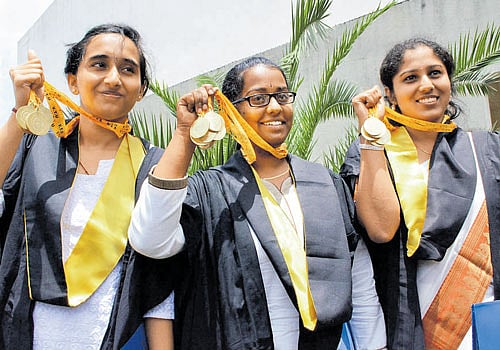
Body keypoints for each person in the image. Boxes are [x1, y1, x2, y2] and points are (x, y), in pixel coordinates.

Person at [128, 56, 386, 349]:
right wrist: (185, 136)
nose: (275, 107)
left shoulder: (325, 183)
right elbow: (150, 240)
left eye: (282, 96)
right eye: (259, 98)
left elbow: (361, 281)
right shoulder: (210, 192)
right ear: (230, 112)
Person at [0, 24, 181, 349]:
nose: (113, 78)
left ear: (140, 89)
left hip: (115, 338)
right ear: (72, 80)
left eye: (128, 69)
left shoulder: (152, 165)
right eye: (99, 64)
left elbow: (156, 281)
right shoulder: (36, 147)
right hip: (27, 336)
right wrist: (20, 113)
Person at [340, 38, 500, 349]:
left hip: (487, 321)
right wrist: (371, 135)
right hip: (409, 323)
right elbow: (381, 230)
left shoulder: (487, 149)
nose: (426, 85)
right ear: (390, 93)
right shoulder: (373, 153)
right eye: (410, 78)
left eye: (435, 73)